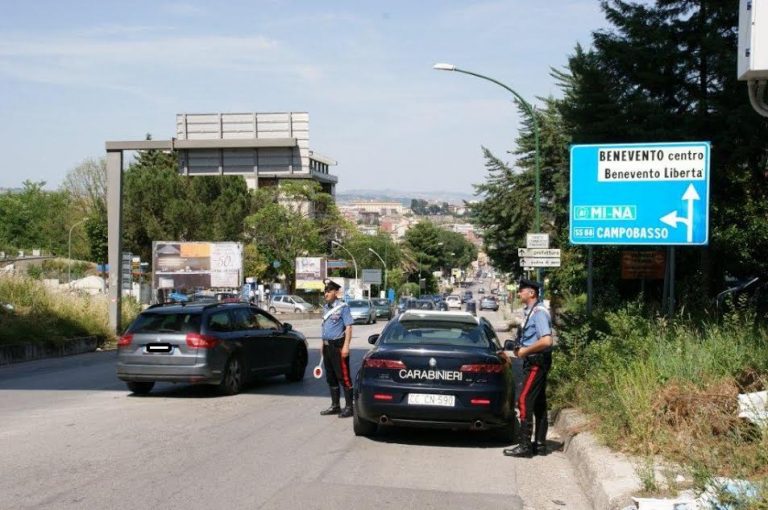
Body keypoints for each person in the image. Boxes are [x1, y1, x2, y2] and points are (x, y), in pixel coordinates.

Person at [503, 278, 554, 458]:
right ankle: (539, 445)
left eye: (522, 291)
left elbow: (547, 340)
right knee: (539, 403)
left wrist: (525, 351)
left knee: (524, 400)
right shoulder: (531, 311)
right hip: (534, 361)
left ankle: (525, 446)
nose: (519, 293)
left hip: (536, 362)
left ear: (531, 293)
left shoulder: (539, 312)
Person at [319, 279, 355, 418]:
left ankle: (349, 407)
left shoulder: (343, 307)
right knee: (331, 377)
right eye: (325, 291)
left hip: (338, 346)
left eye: (328, 291)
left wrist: (346, 345)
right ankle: (335, 406)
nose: (326, 293)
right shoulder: (326, 307)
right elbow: (325, 327)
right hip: (328, 346)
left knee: (344, 377)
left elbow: (348, 327)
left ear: (335, 292)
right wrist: (322, 344)